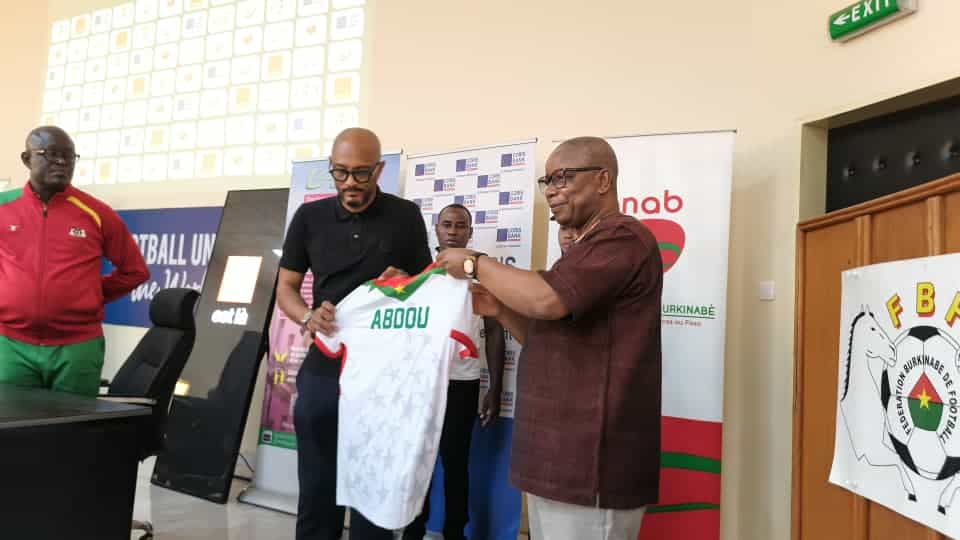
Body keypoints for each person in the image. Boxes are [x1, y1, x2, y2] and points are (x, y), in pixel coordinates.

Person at [437, 136, 663, 540]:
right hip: (554, 459)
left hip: (590, 466)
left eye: (563, 178)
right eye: (548, 181)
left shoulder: (622, 238)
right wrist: (499, 308)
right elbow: (543, 336)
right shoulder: (581, 250)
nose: (552, 191)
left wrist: (475, 263)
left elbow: (546, 300)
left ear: (602, 180)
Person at [275, 127, 432, 540]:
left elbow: (426, 286)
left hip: (385, 373)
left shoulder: (405, 217)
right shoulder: (309, 218)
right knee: (317, 489)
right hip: (325, 366)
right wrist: (308, 317)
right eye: (340, 172)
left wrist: (405, 283)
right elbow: (286, 288)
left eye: (361, 173)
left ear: (379, 170)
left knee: (373, 493)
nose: (350, 183)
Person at [0, 126, 148, 397]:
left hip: (77, 347)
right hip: (11, 344)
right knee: (12, 423)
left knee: (72, 423)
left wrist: (88, 295)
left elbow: (134, 271)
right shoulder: (3, 207)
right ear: (26, 159)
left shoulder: (97, 213)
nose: (61, 162)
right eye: (50, 154)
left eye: (68, 156)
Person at [403, 203, 507, 540]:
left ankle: (454, 533)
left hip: (462, 382)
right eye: (446, 224)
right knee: (418, 462)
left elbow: (494, 332)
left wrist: (494, 388)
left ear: (470, 232)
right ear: (436, 229)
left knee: (455, 462)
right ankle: (413, 531)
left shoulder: (481, 276)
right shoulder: (419, 273)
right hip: (422, 383)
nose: (452, 231)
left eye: (460, 225)